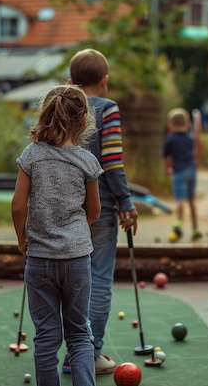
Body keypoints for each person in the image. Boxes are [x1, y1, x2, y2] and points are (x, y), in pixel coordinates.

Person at [11, 84, 103, 386]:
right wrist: (74, 232)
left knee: (47, 336)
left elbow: (17, 207)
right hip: (76, 259)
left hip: (39, 259)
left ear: (44, 114)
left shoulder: (31, 156)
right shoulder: (87, 161)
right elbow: (94, 211)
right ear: (83, 119)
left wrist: (22, 239)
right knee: (79, 333)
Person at [63, 48, 138, 375]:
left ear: (72, 80)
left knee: (72, 280)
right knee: (99, 279)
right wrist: (126, 201)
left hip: (65, 206)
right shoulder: (108, 109)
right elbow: (111, 161)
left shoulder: (64, 106)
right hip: (102, 205)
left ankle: (69, 355)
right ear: (104, 80)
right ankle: (89, 354)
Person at [162, 108, 202, 242]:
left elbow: (166, 157)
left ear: (170, 124)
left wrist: (167, 169)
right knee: (191, 201)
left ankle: (178, 225)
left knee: (180, 200)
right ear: (187, 123)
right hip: (191, 171)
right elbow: (196, 152)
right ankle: (196, 228)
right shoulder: (190, 138)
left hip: (179, 171)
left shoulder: (171, 139)